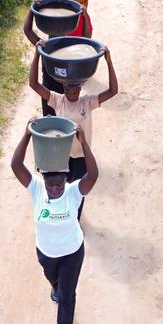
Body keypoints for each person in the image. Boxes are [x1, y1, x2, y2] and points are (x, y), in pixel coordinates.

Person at [11, 120, 98, 324]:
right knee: (55, 282)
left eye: (59, 184)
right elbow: (16, 166)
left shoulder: (73, 192)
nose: (56, 189)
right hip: (46, 254)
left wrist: (83, 142)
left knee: (67, 296)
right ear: (44, 181)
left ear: (66, 179)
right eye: (51, 185)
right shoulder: (37, 190)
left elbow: (93, 175)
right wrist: (27, 135)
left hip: (72, 253)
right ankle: (55, 285)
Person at [28, 44, 117, 220]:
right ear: (64, 88)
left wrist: (109, 61)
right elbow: (33, 84)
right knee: (59, 189)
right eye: (70, 90)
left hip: (82, 157)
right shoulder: (57, 100)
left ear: (81, 88)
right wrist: (37, 54)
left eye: (76, 90)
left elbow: (113, 91)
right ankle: (59, 216)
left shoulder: (87, 102)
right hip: (61, 156)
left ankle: (75, 220)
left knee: (79, 191)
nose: (73, 94)